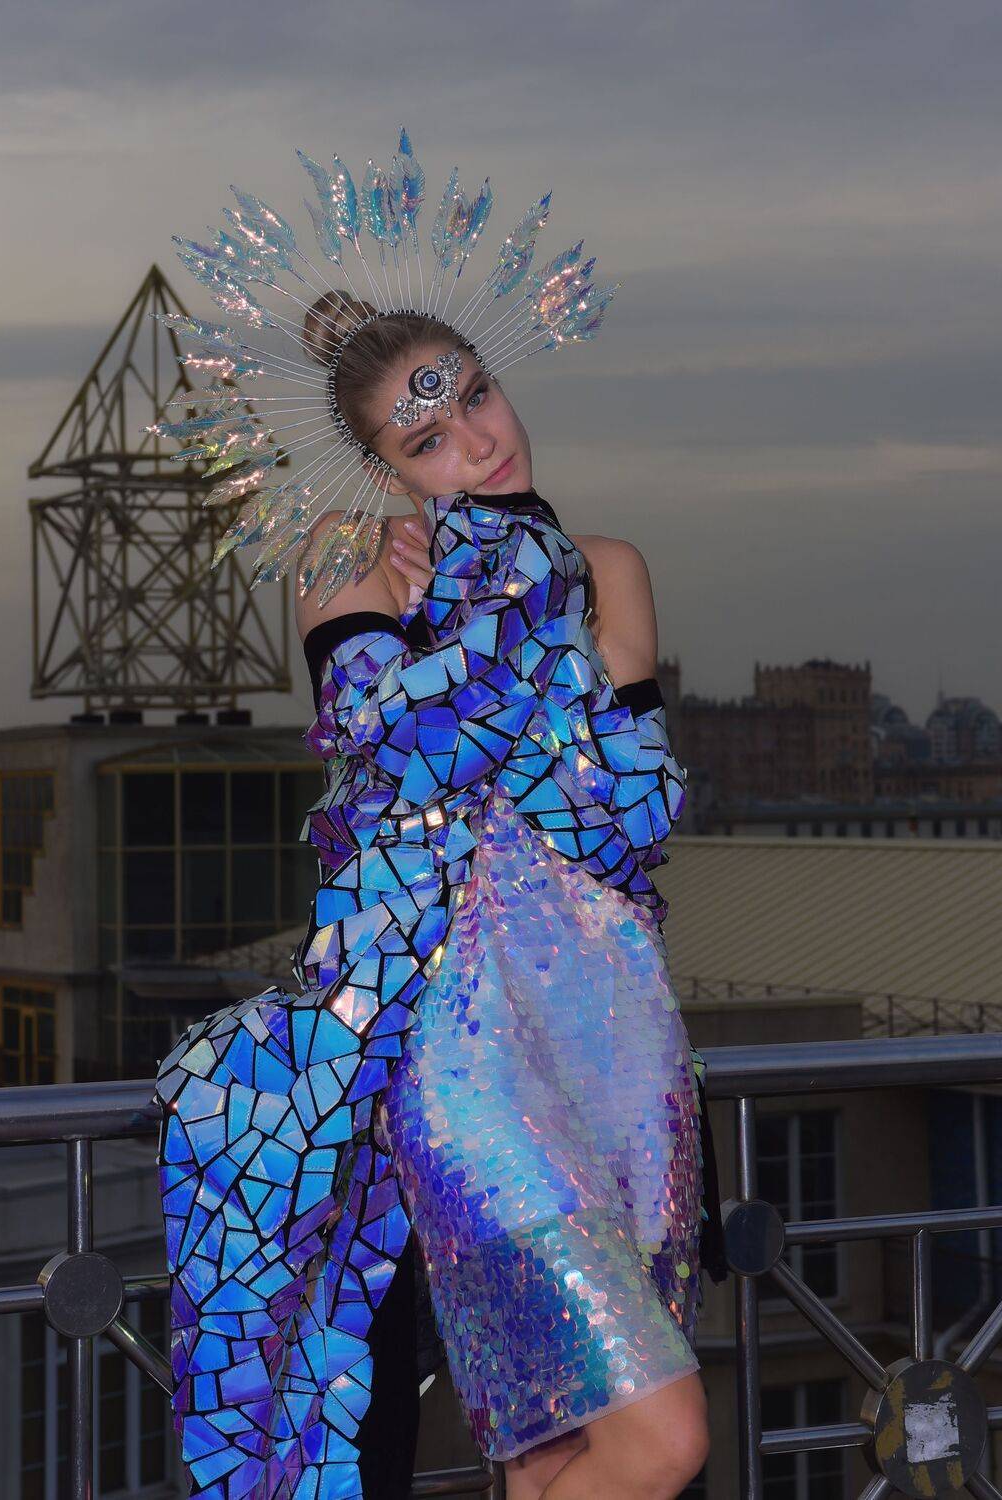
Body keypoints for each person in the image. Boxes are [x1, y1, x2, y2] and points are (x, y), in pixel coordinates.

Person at [153, 130, 726, 1500]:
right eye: (427, 437)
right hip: (462, 1056)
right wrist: (471, 619)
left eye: (474, 395)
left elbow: (629, 815)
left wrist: (510, 603)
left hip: (618, 1037)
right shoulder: (344, 566)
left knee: (561, 1448)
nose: (477, 440)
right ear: (380, 467)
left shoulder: (607, 567)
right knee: (664, 1438)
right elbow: (399, 770)